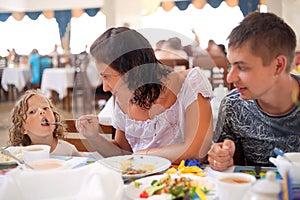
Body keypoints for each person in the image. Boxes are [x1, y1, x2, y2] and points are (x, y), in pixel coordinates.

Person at [76, 27, 214, 164]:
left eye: (107, 76)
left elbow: (197, 151)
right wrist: (94, 137)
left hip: (184, 180)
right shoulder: (123, 97)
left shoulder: (190, 83)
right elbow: (123, 153)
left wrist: (141, 155)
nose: (105, 88)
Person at [207, 12, 300, 171]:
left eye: (242, 67)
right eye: (231, 66)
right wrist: (222, 156)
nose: (230, 78)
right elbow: (231, 164)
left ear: (278, 65)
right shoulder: (233, 105)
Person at [8, 89, 82, 157]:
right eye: (32, 111)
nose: (41, 111)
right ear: (23, 129)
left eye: (45, 108)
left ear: (55, 117)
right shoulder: (21, 155)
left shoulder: (68, 150)